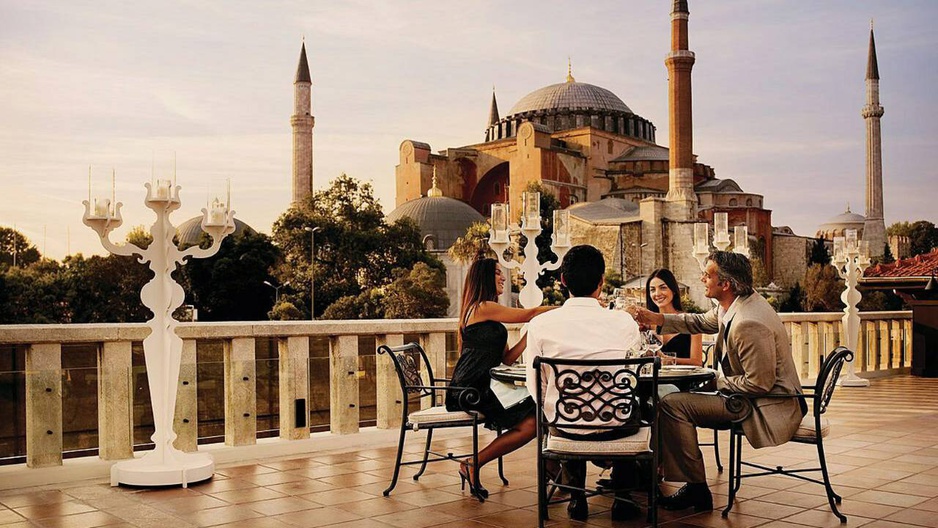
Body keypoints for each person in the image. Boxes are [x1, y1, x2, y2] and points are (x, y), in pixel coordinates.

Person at [628, 251, 804, 512]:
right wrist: (658, 319)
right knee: (671, 401)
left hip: (763, 405)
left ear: (726, 284)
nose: (702, 279)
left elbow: (759, 385)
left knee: (672, 405)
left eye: (708, 275)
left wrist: (716, 381)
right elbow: (699, 321)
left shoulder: (749, 322)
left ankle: (696, 489)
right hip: (746, 395)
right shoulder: (734, 305)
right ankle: (678, 480)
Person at [524, 245, 643, 522]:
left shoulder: (540, 324)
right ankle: (624, 497)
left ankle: (576, 497)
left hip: (566, 429)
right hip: (616, 427)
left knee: (559, 410)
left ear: (563, 280)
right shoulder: (624, 322)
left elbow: (536, 389)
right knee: (635, 407)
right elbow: (633, 377)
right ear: (601, 282)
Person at [445, 257, 554, 500]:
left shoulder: (489, 315)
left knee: (541, 409)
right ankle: (474, 463)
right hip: (471, 387)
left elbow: (507, 358)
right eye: (497, 273)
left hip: (486, 384)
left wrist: (531, 332)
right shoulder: (481, 307)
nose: (503, 277)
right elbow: (531, 312)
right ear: (484, 278)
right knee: (535, 418)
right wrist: (568, 308)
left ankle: (553, 468)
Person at [645, 268, 703, 367]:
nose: (657, 293)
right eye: (652, 290)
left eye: (663, 288)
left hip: (682, 380)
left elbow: (697, 362)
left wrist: (670, 360)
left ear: (674, 291)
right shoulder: (646, 325)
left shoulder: (690, 322)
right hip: (652, 380)